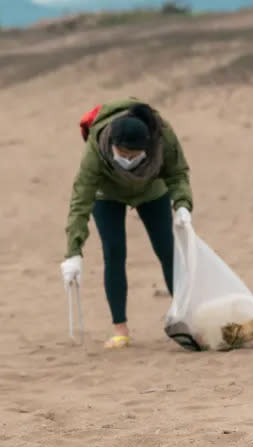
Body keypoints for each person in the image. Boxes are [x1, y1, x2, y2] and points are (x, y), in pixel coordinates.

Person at [61, 99, 193, 349]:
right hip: (107, 195)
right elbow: (81, 199)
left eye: (133, 155)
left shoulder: (162, 137)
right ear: (112, 145)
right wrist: (73, 253)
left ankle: (185, 317)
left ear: (146, 148)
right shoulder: (96, 150)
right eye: (122, 154)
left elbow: (177, 173)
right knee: (114, 252)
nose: (127, 159)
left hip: (152, 190)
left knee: (167, 250)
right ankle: (120, 330)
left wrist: (182, 204)